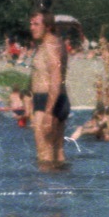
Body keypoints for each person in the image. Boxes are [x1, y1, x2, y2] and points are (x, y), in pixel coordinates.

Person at [29, 10, 69, 169]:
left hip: (48, 101)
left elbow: (56, 77)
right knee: (57, 153)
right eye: (31, 23)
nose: (31, 27)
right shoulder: (54, 43)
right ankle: (62, 190)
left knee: (44, 155)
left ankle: (46, 192)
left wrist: (48, 111)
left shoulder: (50, 45)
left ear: (48, 26)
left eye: (36, 24)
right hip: (57, 99)